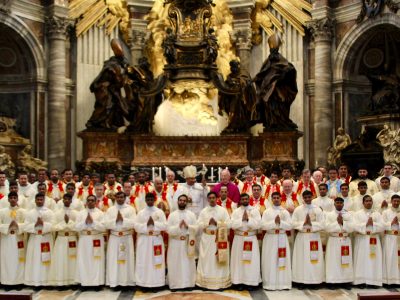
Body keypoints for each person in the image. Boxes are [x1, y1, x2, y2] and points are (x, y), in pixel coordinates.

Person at [196, 192, 231, 290]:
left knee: (218, 261)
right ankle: (205, 283)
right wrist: (207, 223)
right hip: (207, 239)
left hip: (219, 238)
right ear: (207, 199)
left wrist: (218, 223)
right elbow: (198, 225)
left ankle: (220, 283)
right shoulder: (203, 211)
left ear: (217, 198)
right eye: (210, 198)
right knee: (207, 260)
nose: (212, 199)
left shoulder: (222, 210)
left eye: (213, 197)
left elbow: (229, 224)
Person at [292, 190, 325, 288]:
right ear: (303, 198)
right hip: (302, 237)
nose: (307, 199)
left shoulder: (317, 209)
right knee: (302, 259)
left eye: (309, 197)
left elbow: (323, 224)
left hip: (313, 236)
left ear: (312, 197)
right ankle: (301, 281)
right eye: (305, 197)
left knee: (313, 259)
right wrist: (304, 224)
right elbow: (293, 223)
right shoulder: (298, 209)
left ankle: (314, 281)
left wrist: (311, 224)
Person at [261, 192, 292, 290]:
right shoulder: (267, 212)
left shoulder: (285, 212)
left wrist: (281, 222)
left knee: (281, 260)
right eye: (273, 198)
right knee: (270, 260)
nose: (276, 199)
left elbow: (290, 226)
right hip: (270, 237)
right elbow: (263, 226)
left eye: (277, 197)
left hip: (282, 237)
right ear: (271, 199)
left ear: (280, 199)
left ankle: (283, 284)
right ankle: (270, 283)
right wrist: (274, 222)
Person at [134, 193, 167, 288]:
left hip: (156, 239)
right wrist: (146, 225)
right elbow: (136, 226)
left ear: (154, 200)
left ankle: (157, 283)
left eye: (151, 199)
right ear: (145, 200)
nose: (149, 201)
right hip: (144, 239)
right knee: (144, 261)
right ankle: (143, 283)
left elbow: (165, 225)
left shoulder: (159, 212)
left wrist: (154, 224)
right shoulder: (141, 212)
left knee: (156, 262)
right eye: (148, 199)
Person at [104, 191, 136, 288]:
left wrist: (123, 220)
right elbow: (106, 224)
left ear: (125, 198)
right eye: (118, 197)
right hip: (114, 237)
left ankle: (127, 282)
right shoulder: (110, 210)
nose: (120, 199)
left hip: (126, 237)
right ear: (115, 198)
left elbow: (134, 223)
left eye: (122, 197)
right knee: (114, 260)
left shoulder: (130, 209)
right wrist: (115, 220)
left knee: (127, 260)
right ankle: (114, 282)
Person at [167, 194, 197, 290]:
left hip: (187, 243)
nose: (182, 202)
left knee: (187, 264)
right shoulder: (172, 215)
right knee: (175, 263)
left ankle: (188, 284)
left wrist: (188, 227)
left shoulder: (191, 215)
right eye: (180, 200)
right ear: (177, 201)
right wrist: (178, 227)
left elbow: (196, 229)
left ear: (187, 202)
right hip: (175, 242)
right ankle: (175, 285)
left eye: (184, 200)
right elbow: (168, 230)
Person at [230, 193, 261, 289]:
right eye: (243, 199)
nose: (244, 200)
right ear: (240, 200)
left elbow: (259, 225)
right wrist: (241, 220)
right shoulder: (236, 212)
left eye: (246, 199)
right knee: (239, 261)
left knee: (250, 262)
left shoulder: (255, 210)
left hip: (251, 238)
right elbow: (232, 225)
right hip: (239, 238)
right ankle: (239, 282)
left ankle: (250, 282)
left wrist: (248, 219)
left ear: (249, 199)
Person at [353, 195, 384, 287]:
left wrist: (372, 224)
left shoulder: (377, 214)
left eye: (370, 201)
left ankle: (373, 281)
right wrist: (366, 225)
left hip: (373, 239)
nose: (368, 202)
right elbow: (354, 226)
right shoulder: (357, 214)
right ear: (363, 203)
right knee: (361, 259)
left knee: (373, 259)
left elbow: (382, 226)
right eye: (366, 201)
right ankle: (360, 281)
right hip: (362, 239)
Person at [24, 193, 55, 286]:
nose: (39, 201)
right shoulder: (30, 213)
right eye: (38, 199)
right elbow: (25, 227)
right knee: (35, 260)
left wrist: (43, 224)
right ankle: (36, 282)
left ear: (44, 200)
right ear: (35, 200)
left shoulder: (49, 212)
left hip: (46, 238)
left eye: (41, 199)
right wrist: (35, 225)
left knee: (46, 260)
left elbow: (53, 225)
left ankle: (48, 282)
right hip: (35, 238)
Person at [75, 195, 106, 286]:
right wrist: (85, 222)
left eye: (92, 200)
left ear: (96, 202)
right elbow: (76, 227)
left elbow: (104, 228)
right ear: (86, 202)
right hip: (84, 239)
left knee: (96, 261)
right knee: (83, 261)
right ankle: (84, 282)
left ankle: (97, 283)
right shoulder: (80, 213)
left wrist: (93, 222)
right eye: (88, 200)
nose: (90, 202)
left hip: (96, 239)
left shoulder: (100, 213)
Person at [49, 193, 78, 286]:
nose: (66, 201)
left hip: (72, 237)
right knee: (60, 260)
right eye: (65, 199)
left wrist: (69, 222)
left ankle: (73, 282)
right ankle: (60, 282)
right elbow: (53, 227)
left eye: (68, 199)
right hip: (61, 238)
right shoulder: (57, 213)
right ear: (62, 200)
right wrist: (63, 223)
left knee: (72, 260)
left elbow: (78, 227)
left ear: (71, 201)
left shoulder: (75, 213)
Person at [324, 197, 354, 288]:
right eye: (337, 202)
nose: (339, 204)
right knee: (333, 261)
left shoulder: (348, 215)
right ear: (334, 204)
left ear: (343, 204)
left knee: (345, 261)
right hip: (334, 239)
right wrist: (337, 223)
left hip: (345, 239)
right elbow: (326, 228)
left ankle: (346, 281)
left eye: (341, 202)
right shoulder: (329, 215)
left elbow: (353, 227)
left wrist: (343, 223)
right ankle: (333, 281)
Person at [0, 191, 26, 286]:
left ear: (17, 199)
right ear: (8, 199)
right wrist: (8, 226)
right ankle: (6, 282)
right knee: (6, 260)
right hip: (6, 239)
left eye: (15, 198)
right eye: (11, 198)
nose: (13, 200)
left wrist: (18, 225)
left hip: (18, 238)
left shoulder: (23, 211)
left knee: (19, 260)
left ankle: (18, 282)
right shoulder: (2, 211)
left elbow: (26, 225)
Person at [382, 194, 400, 285]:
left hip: (398, 238)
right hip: (389, 237)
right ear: (391, 202)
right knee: (389, 258)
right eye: (394, 201)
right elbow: (382, 225)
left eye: (398, 201)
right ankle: (388, 280)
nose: (396, 203)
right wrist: (391, 223)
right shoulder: (386, 212)